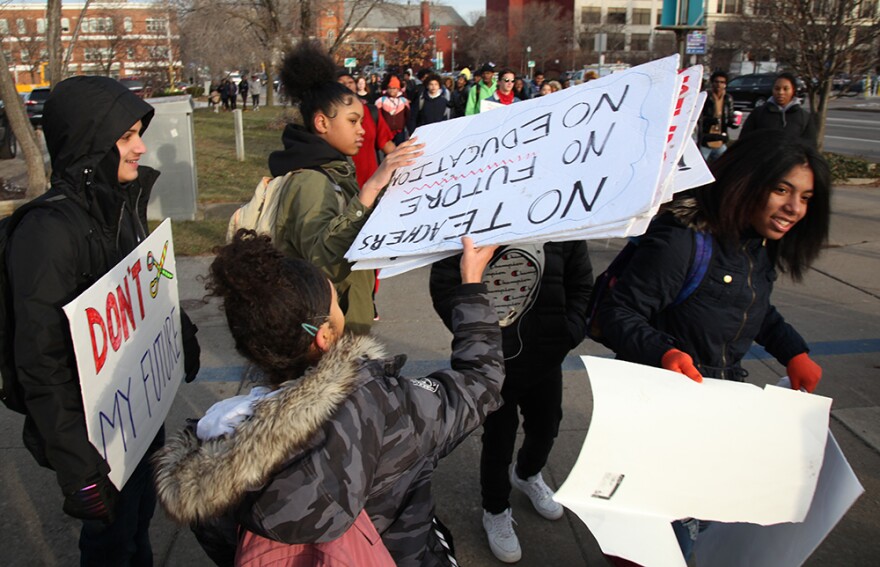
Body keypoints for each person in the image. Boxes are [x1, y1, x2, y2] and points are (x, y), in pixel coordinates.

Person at [154, 230, 505, 567]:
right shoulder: (383, 404)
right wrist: (471, 286)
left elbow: (226, 547)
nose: (341, 304)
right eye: (335, 299)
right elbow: (480, 383)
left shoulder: (209, 452)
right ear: (324, 336)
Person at [594, 130, 830, 563]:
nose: (795, 208)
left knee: (701, 520)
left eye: (806, 197)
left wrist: (793, 351)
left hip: (717, 409)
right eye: (782, 190)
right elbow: (614, 313)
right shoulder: (684, 242)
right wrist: (664, 352)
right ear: (748, 181)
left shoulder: (755, 246)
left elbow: (753, 307)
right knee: (655, 537)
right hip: (659, 411)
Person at [7, 75, 200, 566]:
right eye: (127, 136)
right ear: (92, 142)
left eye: (139, 132)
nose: (140, 146)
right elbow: (41, 364)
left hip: (136, 418)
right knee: (110, 544)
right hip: (95, 438)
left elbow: (144, 288)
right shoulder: (48, 234)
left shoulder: (120, 204)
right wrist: (79, 470)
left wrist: (178, 331)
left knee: (137, 529)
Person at [430, 240, 594, 563]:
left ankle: (528, 473)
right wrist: (476, 333)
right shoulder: (477, 218)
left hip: (548, 355)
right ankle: (495, 509)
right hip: (493, 363)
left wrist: (569, 331)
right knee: (498, 441)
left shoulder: (567, 218)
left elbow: (581, 283)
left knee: (547, 426)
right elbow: (445, 285)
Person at [268, 42, 422, 336]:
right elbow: (322, 261)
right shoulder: (310, 180)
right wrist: (372, 185)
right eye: (353, 121)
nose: (362, 130)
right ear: (322, 122)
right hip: (327, 335)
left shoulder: (333, 171)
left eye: (363, 121)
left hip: (343, 325)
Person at [337, 71, 396, 190]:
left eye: (350, 82)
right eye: (341, 83)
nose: (347, 85)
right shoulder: (329, 117)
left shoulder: (370, 112)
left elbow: (387, 145)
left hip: (371, 186)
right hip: (342, 187)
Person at [740, 72, 817, 146]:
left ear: (793, 90)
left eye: (785, 89)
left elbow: (810, 147)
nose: (780, 92)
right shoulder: (759, 113)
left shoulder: (803, 117)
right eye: (777, 88)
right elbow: (744, 141)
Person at [699, 70, 739, 163]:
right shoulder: (706, 97)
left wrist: (733, 123)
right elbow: (699, 118)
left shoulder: (727, 98)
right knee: (702, 165)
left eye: (722, 82)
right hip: (706, 139)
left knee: (724, 163)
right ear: (712, 83)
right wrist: (709, 120)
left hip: (720, 139)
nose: (719, 85)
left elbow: (729, 117)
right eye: (716, 82)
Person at [375, 74, 411, 145]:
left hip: (400, 132)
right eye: (390, 88)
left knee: (400, 151)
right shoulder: (381, 101)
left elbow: (408, 116)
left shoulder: (404, 101)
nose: (392, 90)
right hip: (386, 132)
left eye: (394, 88)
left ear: (398, 89)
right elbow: (376, 117)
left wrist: (409, 130)